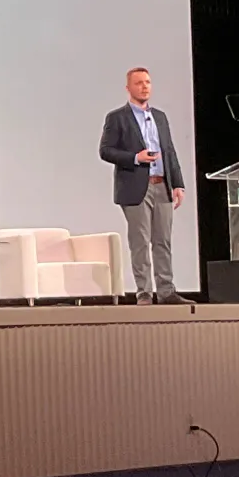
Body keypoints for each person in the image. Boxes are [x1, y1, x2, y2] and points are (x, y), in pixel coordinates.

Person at [99, 66, 190, 305]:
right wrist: (135, 158)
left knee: (163, 241)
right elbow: (105, 151)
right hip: (135, 187)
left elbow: (169, 151)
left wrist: (178, 183)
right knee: (140, 242)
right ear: (128, 88)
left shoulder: (160, 117)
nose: (144, 87)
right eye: (139, 83)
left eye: (148, 82)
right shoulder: (117, 117)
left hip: (162, 185)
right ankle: (144, 293)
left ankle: (166, 292)